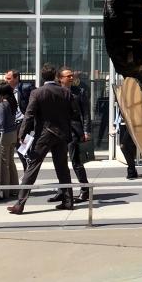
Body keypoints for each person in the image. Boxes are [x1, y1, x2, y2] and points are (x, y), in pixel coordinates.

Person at [7, 64, 77, 215]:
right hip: (61, 134)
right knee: (63, 168)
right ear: (55, 76)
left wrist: (22, 134)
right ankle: (68, 200)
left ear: (42, 77)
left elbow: (29, 115)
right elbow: (73, 112)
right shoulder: (65, 92)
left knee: (32, 168)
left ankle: (20, 204)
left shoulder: (37, 93)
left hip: (44, 135)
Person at [47, 67, 91, 204]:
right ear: (60, 78)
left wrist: (86, 131)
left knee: (76, 162)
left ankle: (84, 191)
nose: (71, 78)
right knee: (60, 163)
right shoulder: (56, 92)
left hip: (74, 131)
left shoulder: (79, 92)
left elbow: (86, 114)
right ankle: (62, 191)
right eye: (68, 76)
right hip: (58, 131)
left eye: (72, 75)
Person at [113, 106, 139, 180]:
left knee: (124, 147)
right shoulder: (120, 103)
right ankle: (132, 170)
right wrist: (115, 126)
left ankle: (131, 170)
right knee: (126, 148)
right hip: (122, 126)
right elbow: (118, 115)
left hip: (129, 126)